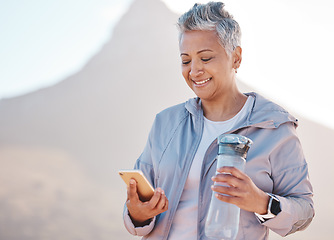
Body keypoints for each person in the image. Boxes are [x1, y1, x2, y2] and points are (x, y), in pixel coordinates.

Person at [123, 2, 314, 239]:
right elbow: (137, 211)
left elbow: (304, 209)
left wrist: (262, 202)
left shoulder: (274, 127)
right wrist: (137, 213)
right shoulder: (165, 123)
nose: (194, 71)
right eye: (185, 60)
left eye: (205, 58)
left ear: (235, 57)